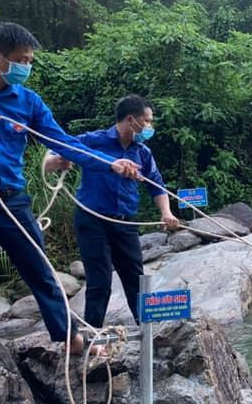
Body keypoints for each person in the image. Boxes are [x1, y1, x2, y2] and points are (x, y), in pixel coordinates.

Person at [0, 22, 141, 376]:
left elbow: (64, 143)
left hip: (11, 201)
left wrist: (110, 163)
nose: (27, 67)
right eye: (21, 60)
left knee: (41, 271)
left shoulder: (28, 102)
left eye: (30, 61)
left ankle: (69, 337)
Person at [44, 95, 179, 329]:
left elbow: (156, 185)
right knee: (100, 281)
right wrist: (56, 162)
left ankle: (150, 334)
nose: (149, 127)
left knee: (136, 279)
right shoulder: (94, 141)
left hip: (125, 222)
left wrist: (166, 213)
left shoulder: (142, 152)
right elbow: (54, 150)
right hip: (92, 220)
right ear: (131, 120)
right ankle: (92, 335)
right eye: (146, 121)